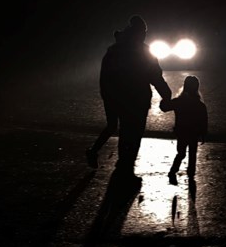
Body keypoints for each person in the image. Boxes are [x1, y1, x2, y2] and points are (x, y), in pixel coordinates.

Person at [97, 15, 172, 182]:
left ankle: (123, 167)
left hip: (119, 99)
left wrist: (108, 99)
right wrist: (166, 96)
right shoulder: (144, 52)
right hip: (138, 100)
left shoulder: (114, 50)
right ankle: (126, 168)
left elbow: (105, 78)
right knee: (134, 134)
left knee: (125, 133)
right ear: (141, 33)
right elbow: (156, 77)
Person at [159, 74, 208, 181]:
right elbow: (204, 120)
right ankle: (191, 174)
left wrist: (165, 97)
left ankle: (173, 170)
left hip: (182, 131)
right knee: (192, 153)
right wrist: (203, 133)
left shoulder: (179, 101)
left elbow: (164, 107)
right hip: (194, 132)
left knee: (181, 153)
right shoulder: (199, 104)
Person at [85, 29, 122, 168]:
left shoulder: (110, 54)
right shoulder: (117, 55)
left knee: (112, 126)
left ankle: (94, 151)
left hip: (110, 95)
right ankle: (121, 161)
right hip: (116, 95)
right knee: (120, 126)